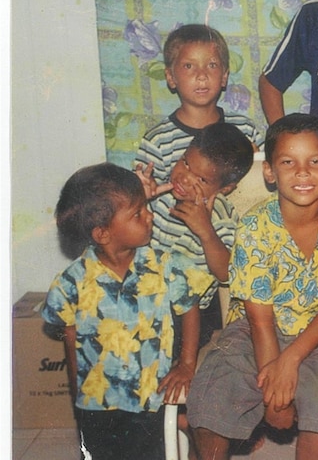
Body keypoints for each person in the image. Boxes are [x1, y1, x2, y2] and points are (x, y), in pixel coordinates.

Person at [186, 113, 318, 460]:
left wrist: (289, 361)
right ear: (269, 172)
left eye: (315, 162)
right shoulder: (255, 227)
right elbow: (260, 321)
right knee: (214, 396)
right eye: (288, 162)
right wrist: (273, 394)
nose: (303, 172)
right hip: (252, 332)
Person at [42, 163, 200, 460]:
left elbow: (189, 307)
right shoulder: (72, 282)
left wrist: (187, 364)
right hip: (98, 402)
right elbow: (69, 333)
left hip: (151, 396)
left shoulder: (164, 265)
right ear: (102, 233)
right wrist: (77, 387)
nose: (149, 215)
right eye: (138, 214)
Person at [138, 122, 254, 387]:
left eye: (202, 180)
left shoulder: (221, 217)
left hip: (187, 319)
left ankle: (171, 413)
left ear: (225, 188)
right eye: (185, 163)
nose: (184, 178)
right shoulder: (160, 195)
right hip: (143, 302)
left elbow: (226, 274)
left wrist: (206, 232)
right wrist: (140, 201)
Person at [135, 23, 264, 186]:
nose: (202, 75)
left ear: (224, 76)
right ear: (170, 77)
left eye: (211, 65)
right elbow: (142, 199)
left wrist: (256, 165)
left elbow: (264, 185)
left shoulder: (245, 129)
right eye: (189, 66)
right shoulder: (158, 140)